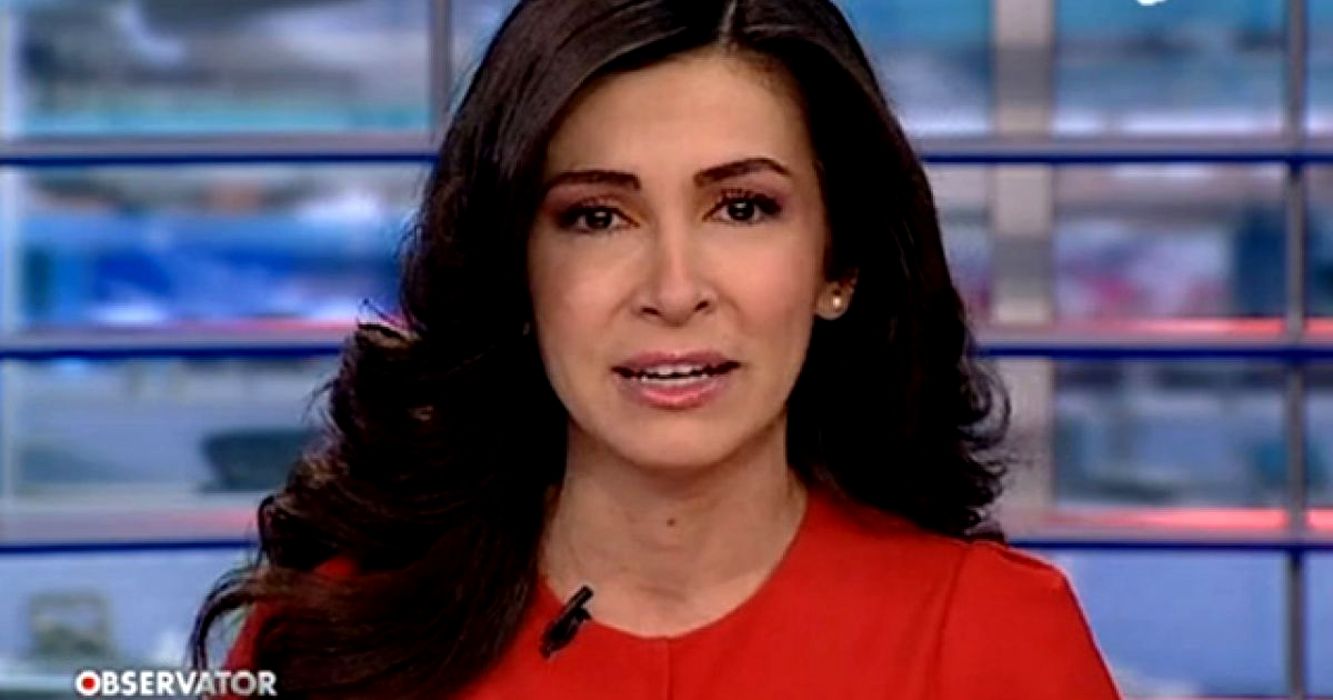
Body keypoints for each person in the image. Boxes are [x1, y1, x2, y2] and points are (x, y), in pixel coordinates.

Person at [193, 0, 1121, 697]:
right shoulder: (332, 639)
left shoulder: (992, 640)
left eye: (742, 208)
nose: (674, 290)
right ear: (516, 270)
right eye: (597, 217)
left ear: (838, 262)